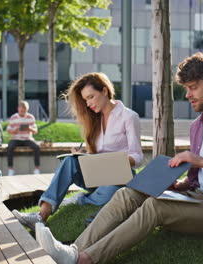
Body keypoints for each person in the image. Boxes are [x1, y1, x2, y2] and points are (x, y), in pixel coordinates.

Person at [34, 51, 203, 264]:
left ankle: (86, 259)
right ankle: (73, 251)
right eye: (186, 88)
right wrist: (178, 184)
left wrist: (199, 160)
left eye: (193, 87)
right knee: (126, 194)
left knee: (154, 206)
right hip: (197, 196)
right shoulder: (198, 126)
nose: (187, 94)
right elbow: (199, 180)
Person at [12, 72, 143, 231]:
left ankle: (79, 199)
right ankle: (41, 215)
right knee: (70, 161)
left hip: (119, 176)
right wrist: (83, 155)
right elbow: (96, 154)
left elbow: (138, 156)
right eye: (85, 99)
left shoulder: (129, 116)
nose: (88, 104)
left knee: (109, 196)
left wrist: (112, 161)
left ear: (104, 91)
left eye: (91, 97)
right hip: (97, 174)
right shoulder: (94, 119)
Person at [6, 100, 40, 176]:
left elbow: (35, 131)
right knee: (9, 147)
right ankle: (10, 169)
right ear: (18, 109)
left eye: (24, 111)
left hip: (27, 138)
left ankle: (36, 169)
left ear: (26, 110)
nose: (22, 113)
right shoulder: (13, 117)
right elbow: (8, 130)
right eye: (21, 111)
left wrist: (30, 129)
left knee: (37, 147)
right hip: (16, 138)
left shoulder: (31, 117)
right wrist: (15, 130)